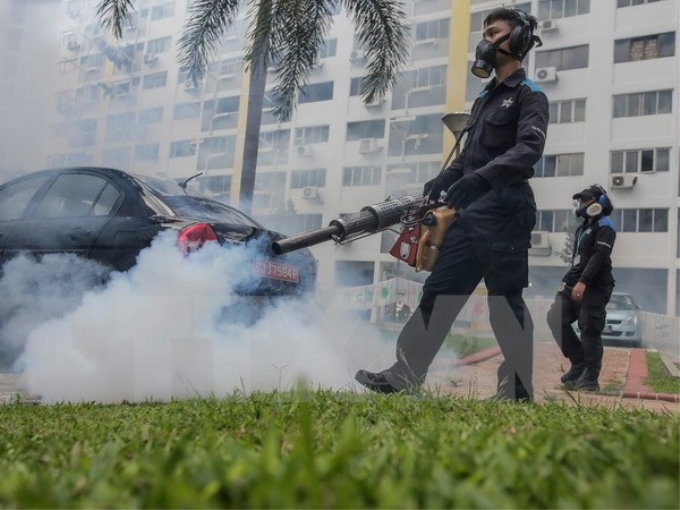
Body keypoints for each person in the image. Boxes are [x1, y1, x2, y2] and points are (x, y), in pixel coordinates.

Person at [355, 7, 549, 401]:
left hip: (507, 211)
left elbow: (530, 148)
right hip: (469, 214)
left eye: (495, 31)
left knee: (503, 303)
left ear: (520, 39)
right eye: (485, 32)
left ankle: (516, 391)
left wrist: (480, 178)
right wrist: (448, 176)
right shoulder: (483, 101)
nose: (487, 39)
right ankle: (405, 376)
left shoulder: (530, 96)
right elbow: (468, 157)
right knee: (439, 292)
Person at [547, 185, 616, 392]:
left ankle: (590, 379)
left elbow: (598, 257)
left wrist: (584, 281)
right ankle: (579, 364)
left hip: (595, 284)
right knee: (555, 318)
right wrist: (571, 281)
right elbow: (579, 259)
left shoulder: (605, 226)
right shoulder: (583, 228)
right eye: (580, 201)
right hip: (574, 280)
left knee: (590, 329)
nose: (581, 205)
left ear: (599, 202)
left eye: (586, 200)